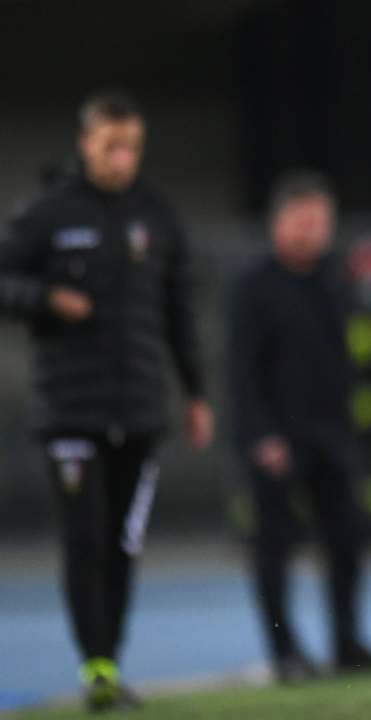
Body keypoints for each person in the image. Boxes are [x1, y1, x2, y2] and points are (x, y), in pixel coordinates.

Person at [0, 89, 215, 712]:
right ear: (85, 144)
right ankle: (95, 663)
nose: (122, 158)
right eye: (110, 146)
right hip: (70, 409)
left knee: (121, 543)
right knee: (84, 537)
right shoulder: (46, 213)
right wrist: (45, 299)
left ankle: (109, 663)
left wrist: (195, 392)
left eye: (131, 147)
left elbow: (178, 312)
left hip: (140, 410)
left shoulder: (157, 214)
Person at [227, 170, 371, 682]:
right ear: (278, 223)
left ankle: (347, 643)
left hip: (331, 434)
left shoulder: (335, 280)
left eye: (320, 223)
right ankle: (284, 653)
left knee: (346, 539)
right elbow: (240, 370)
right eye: (302, 222)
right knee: (275, 548)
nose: (312, 233)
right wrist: (261, 436)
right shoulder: (253, 286)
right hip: (277, 438)